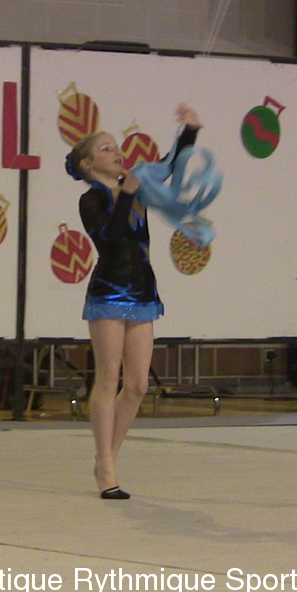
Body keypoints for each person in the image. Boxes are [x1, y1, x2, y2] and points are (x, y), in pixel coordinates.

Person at [64, 103, 201, 500]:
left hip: (142, 290)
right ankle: (107, 467)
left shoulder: (136, 186)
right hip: (109, 291)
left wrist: (190, 132)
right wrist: (126, 194)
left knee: (138, 384)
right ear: (89, 164)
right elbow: (109, 238)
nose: (117, 152)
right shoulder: (91, 200)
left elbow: (168, 164)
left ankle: (107, 456)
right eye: (106, 149)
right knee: (109, 376)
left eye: (116, 147)